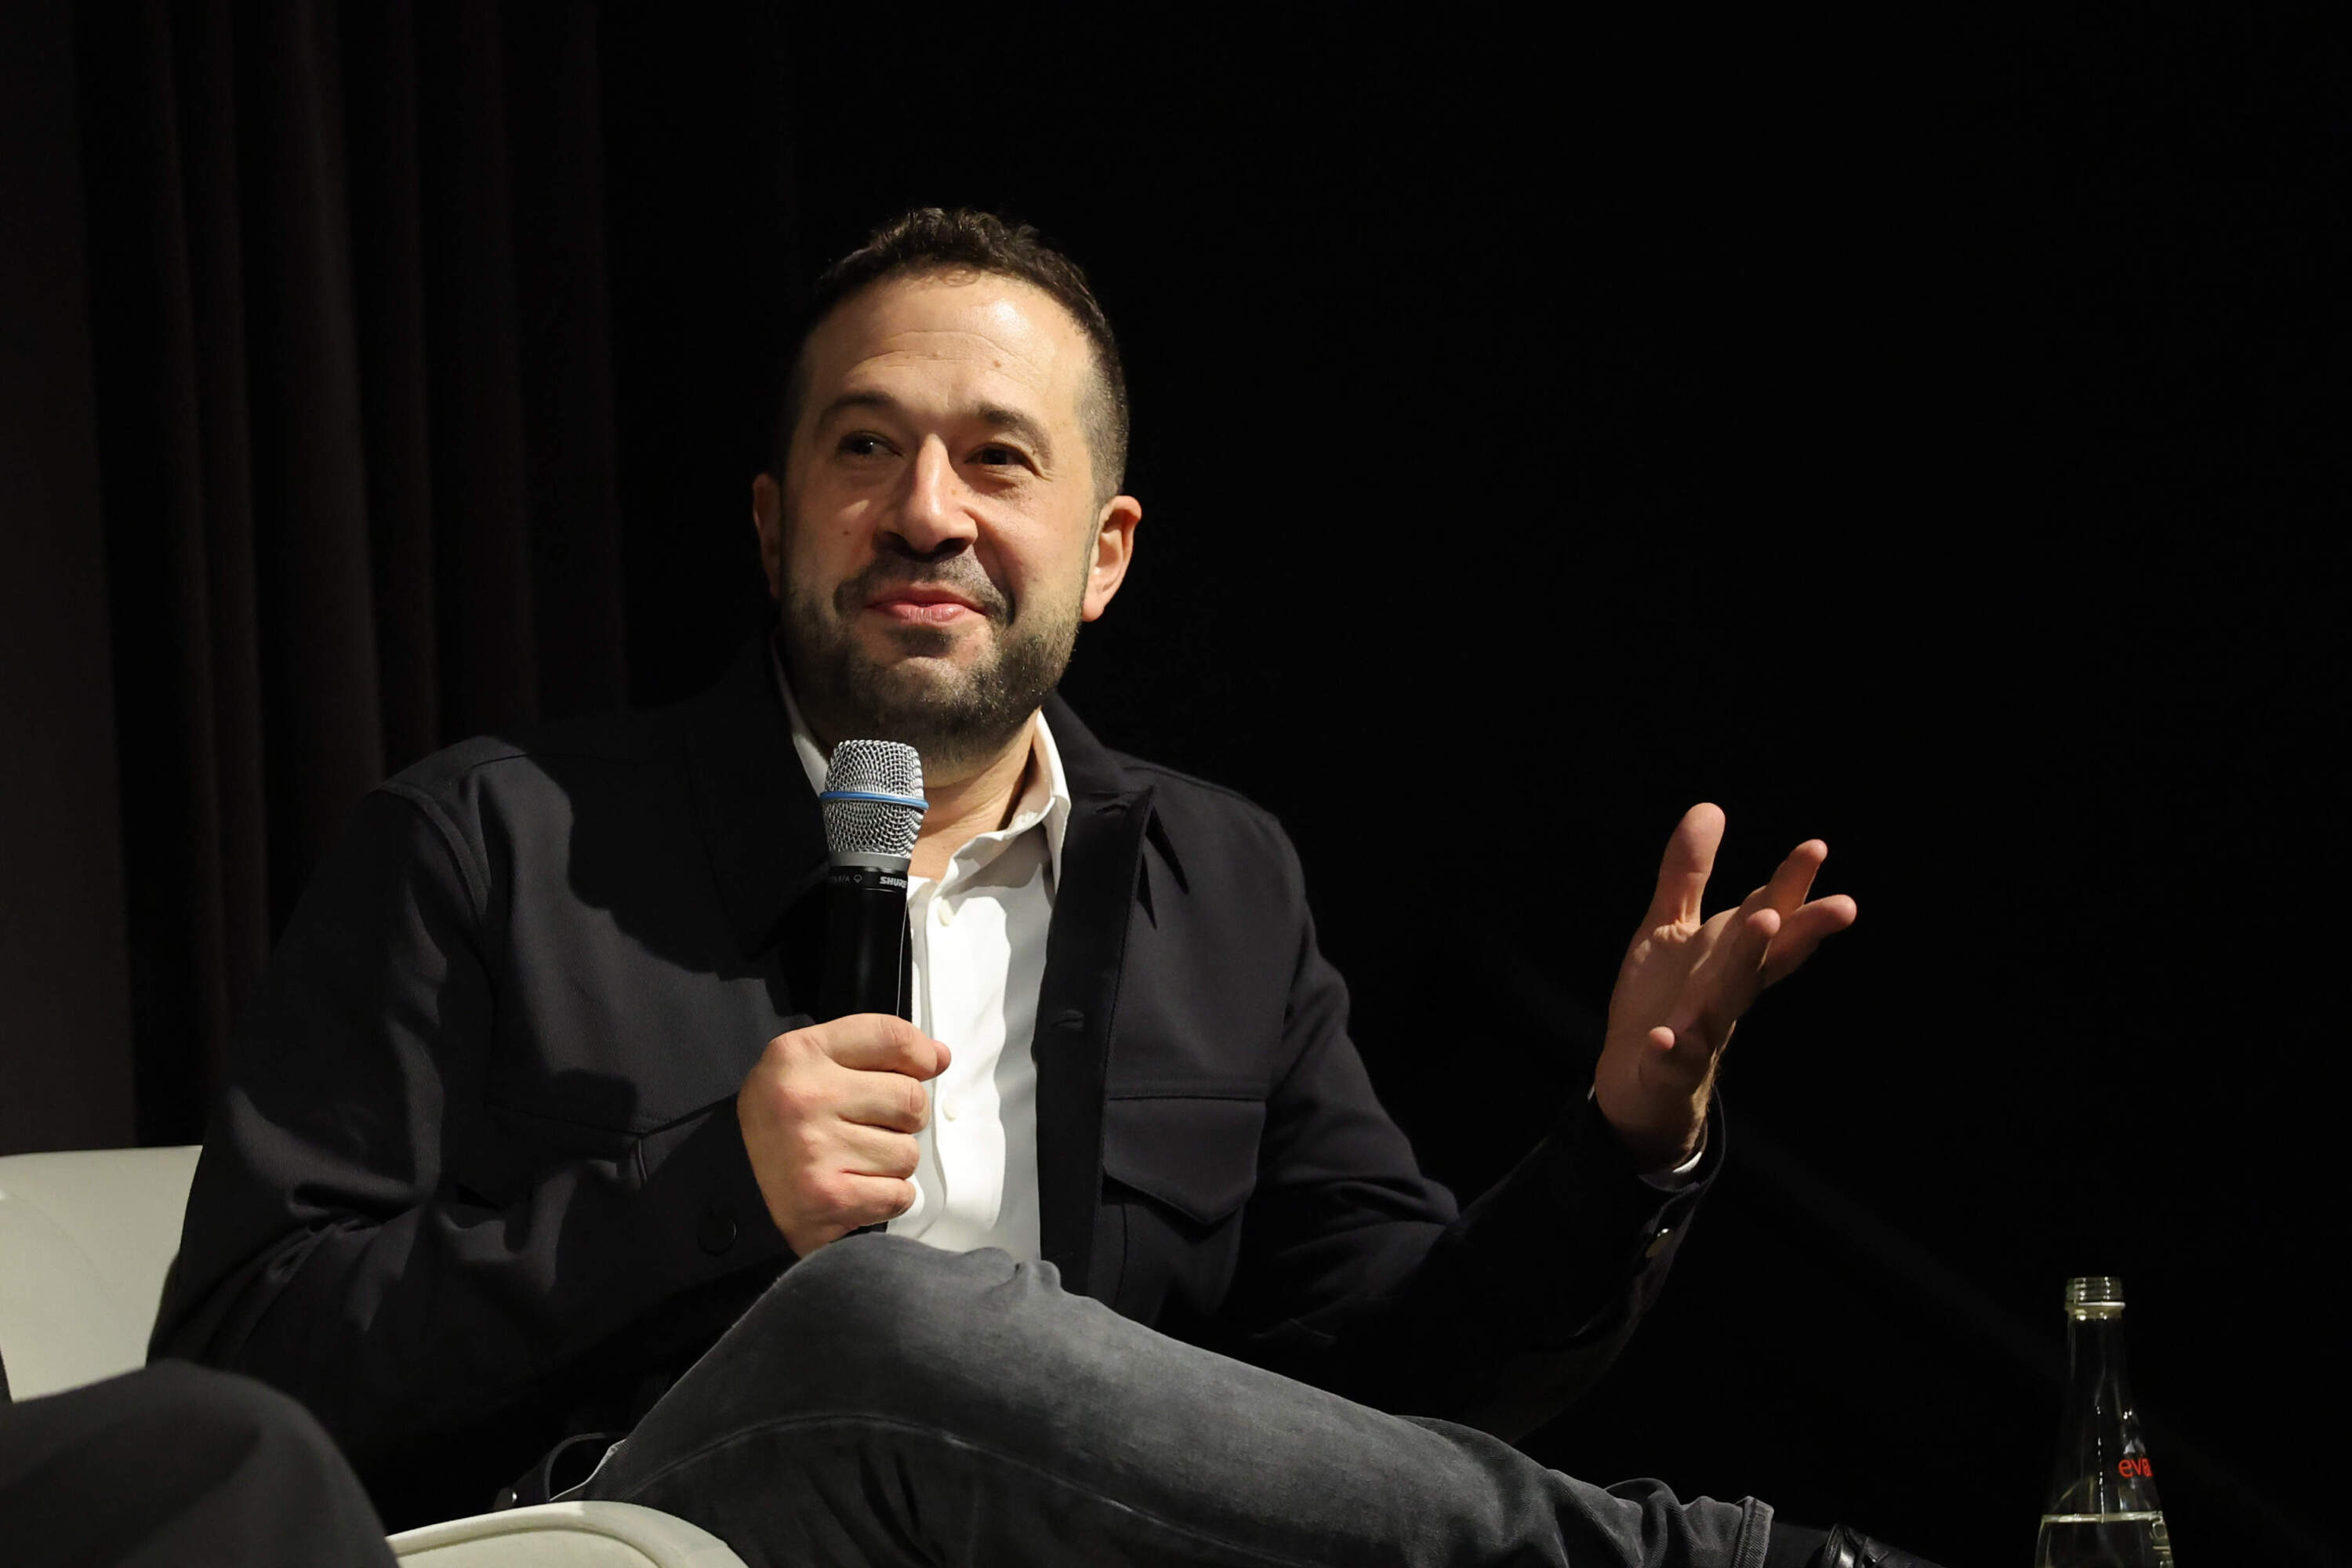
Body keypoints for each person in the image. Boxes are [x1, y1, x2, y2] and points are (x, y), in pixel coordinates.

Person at [153, 208, 1933, 1567]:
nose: (926, 509)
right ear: (771, 522)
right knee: (877, 1307)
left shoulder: (1214, 877)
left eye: (998, 457)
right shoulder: (489, 838)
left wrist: (1624, 1143)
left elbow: (1390, 1396)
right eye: (864, 448)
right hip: (628, 1538)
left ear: (1105, 551)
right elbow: (241, 1370)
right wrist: (694, 1194)